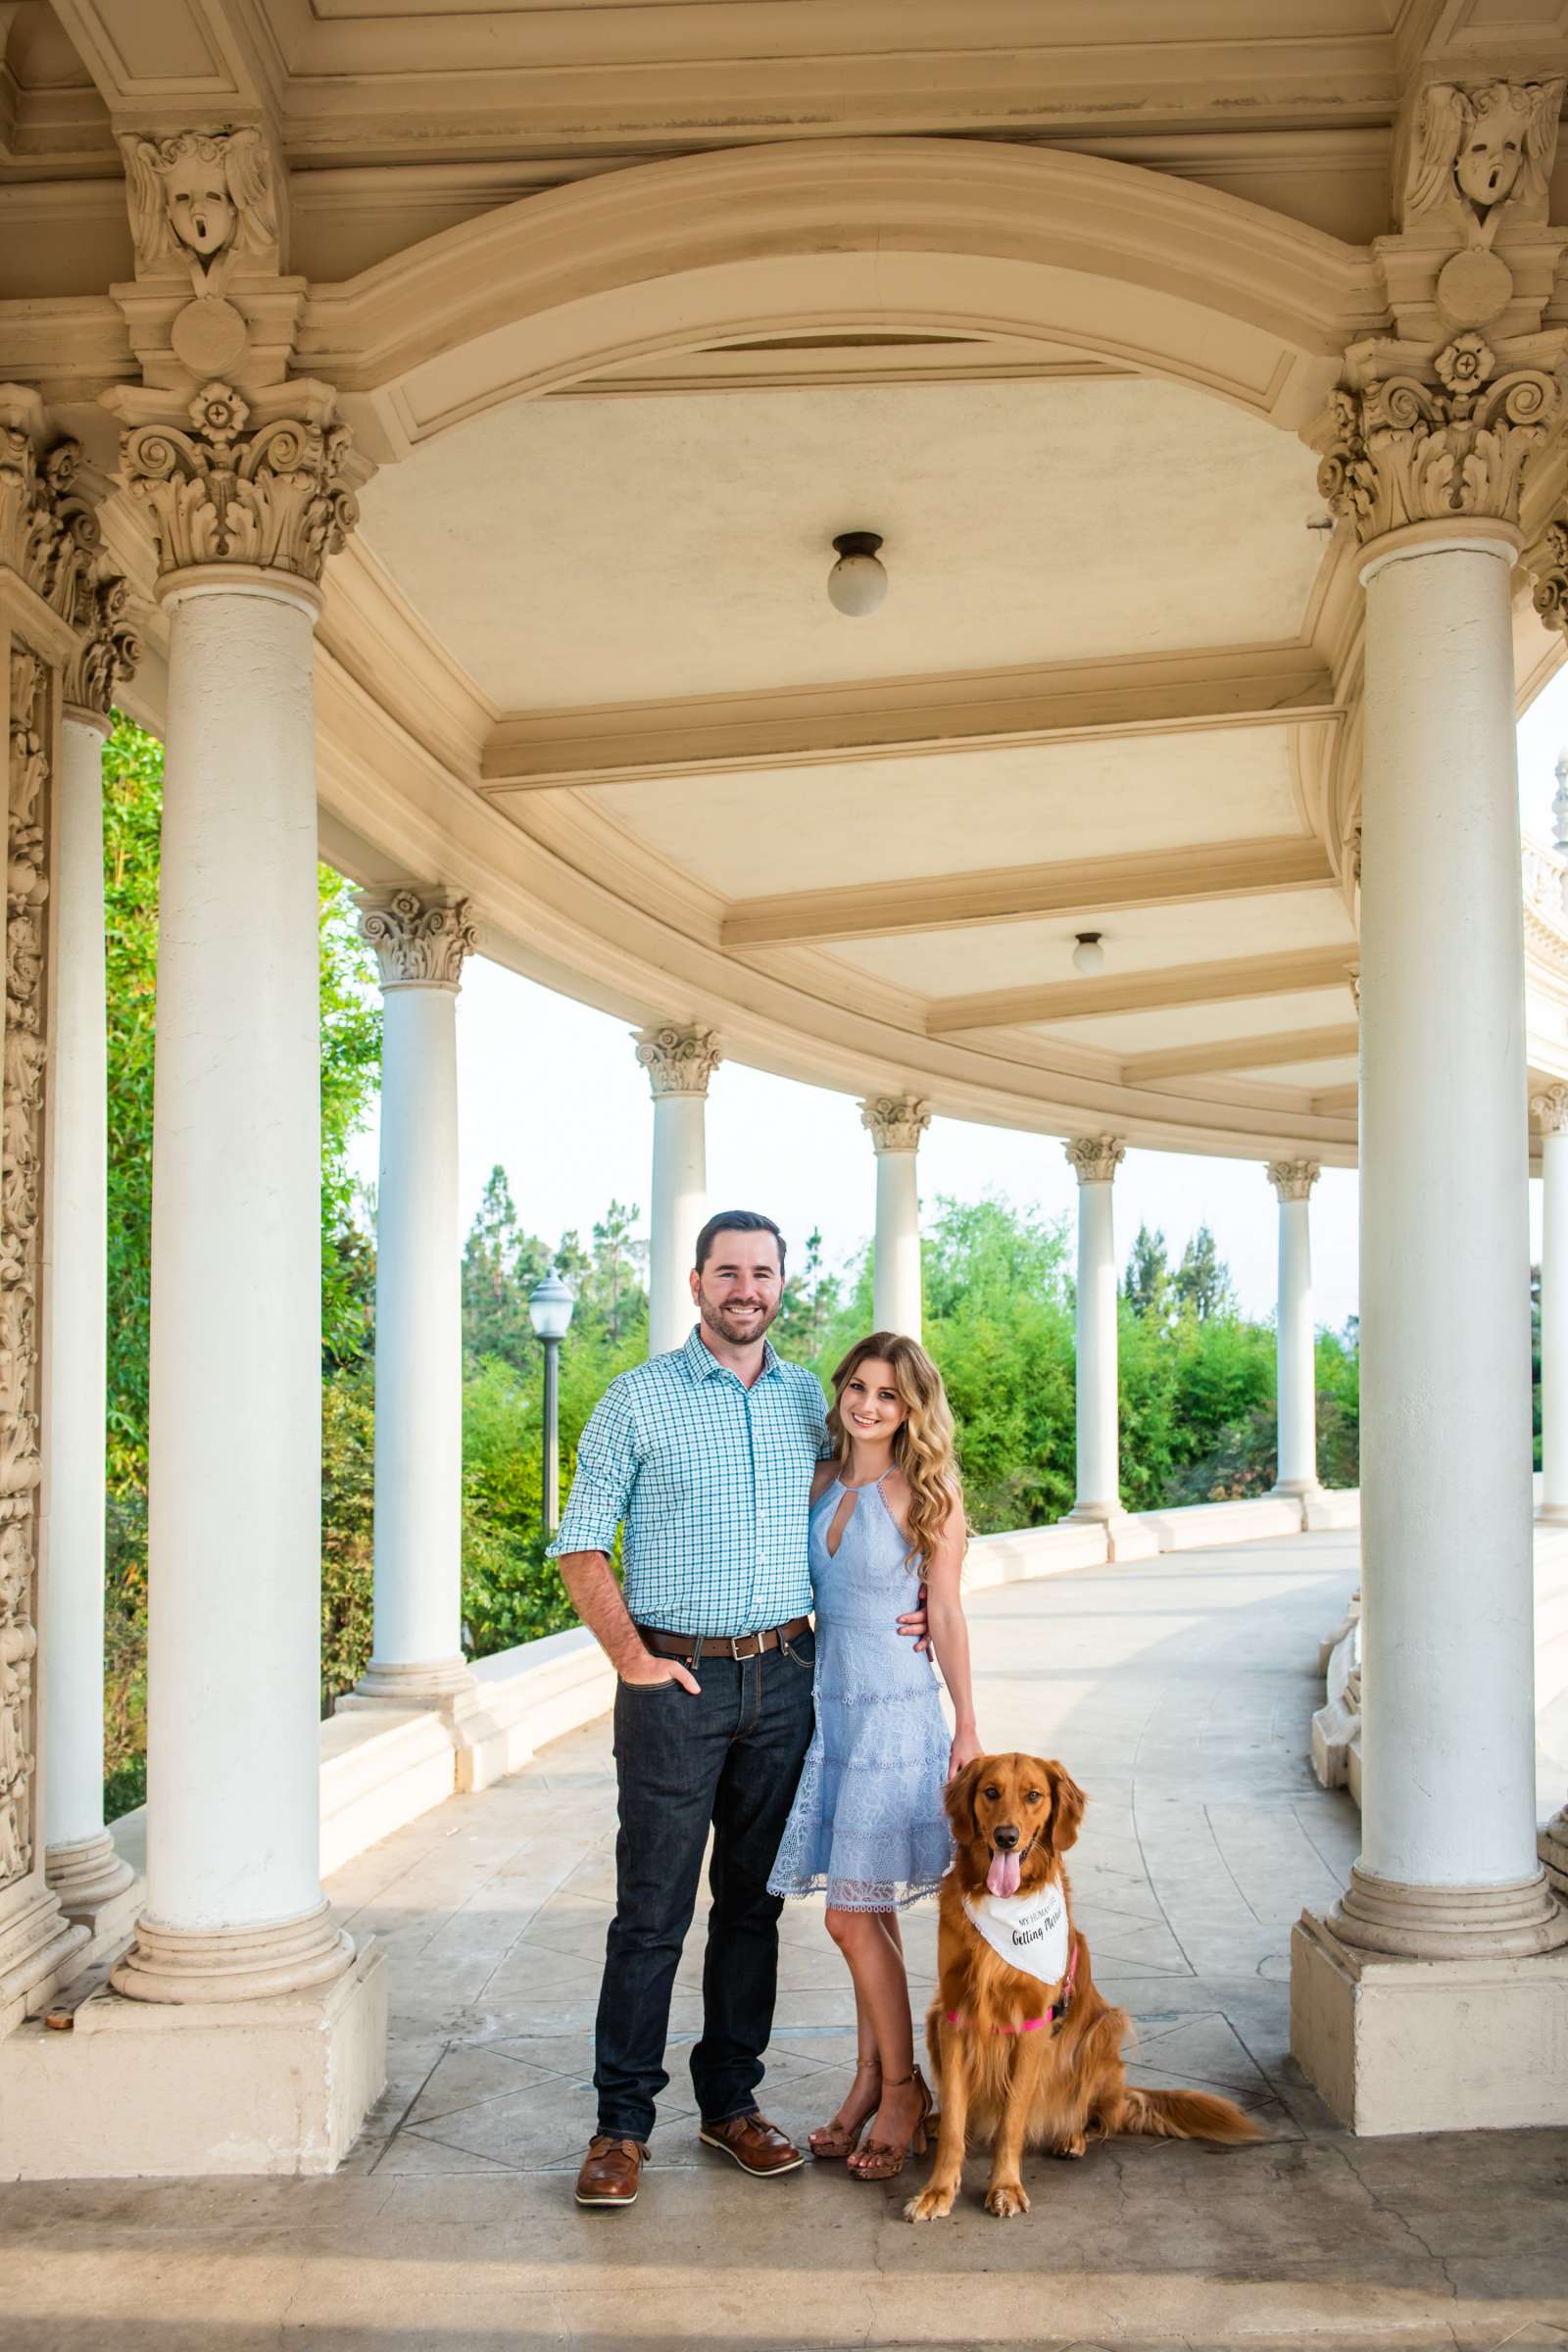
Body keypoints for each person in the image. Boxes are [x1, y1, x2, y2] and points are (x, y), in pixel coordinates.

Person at [550, 1209, 928, 2210]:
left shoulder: (811, 1396)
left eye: (762, 1272)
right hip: (676, 1684)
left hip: (786, 1678)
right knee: (651, 1915)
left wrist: (920, 1597)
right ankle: (620, 2127)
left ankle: (730, 2105)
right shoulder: (638, 1402)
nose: (745, 1288)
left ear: (779, 1285)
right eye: (728, 1271)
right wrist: (632, 1659)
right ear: (695, 1282)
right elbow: (580, 1541)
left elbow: (873, 1489)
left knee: (752, 1909)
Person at [767, 1331, 978, 2181]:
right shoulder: (821, 1479)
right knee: (874, 1914)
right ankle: (864, 2084)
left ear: (911, 1408)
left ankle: (903, 2091)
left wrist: (967, 1726)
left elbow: (951, 1613)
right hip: (833, 1717)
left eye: (889, 1395)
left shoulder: (925, 1493)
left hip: (896, 1721)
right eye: (858, 1386)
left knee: (847, 1917)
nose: (868, 1405)